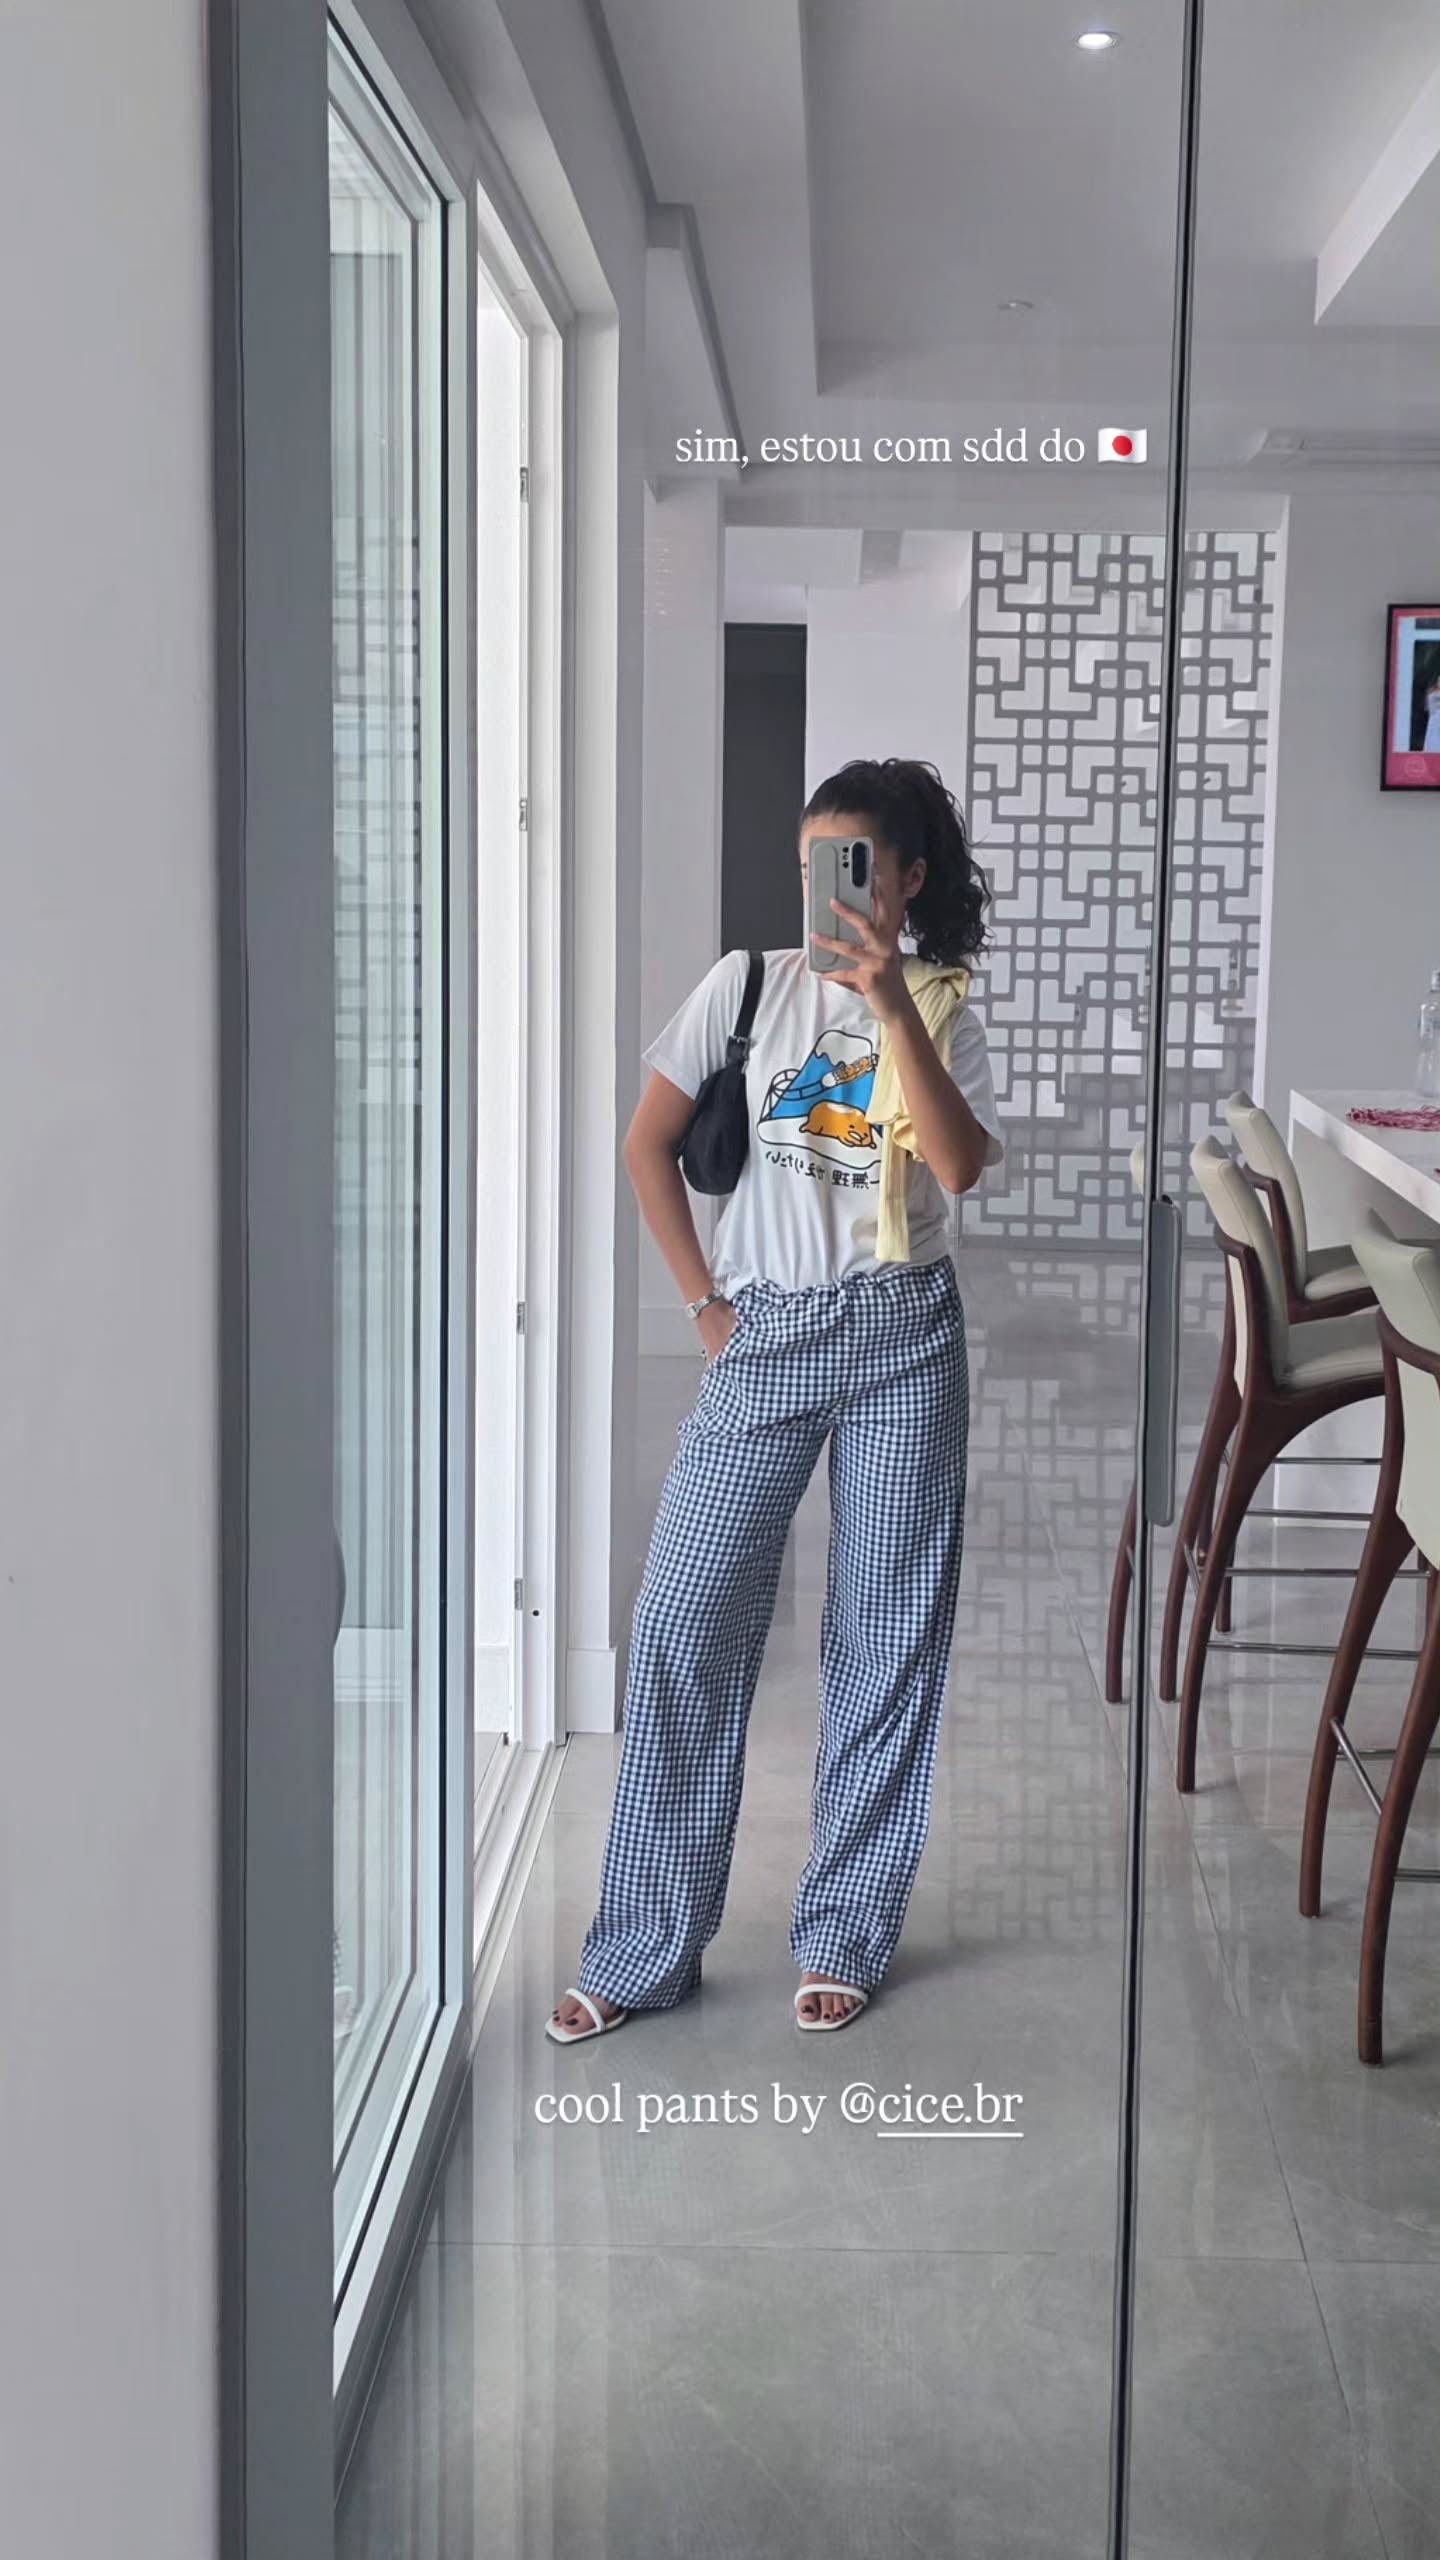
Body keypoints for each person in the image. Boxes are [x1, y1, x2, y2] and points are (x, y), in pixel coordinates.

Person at [547, 757, 1004, 2042]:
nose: (830, 892)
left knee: (884, 1636)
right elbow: (646, 1144)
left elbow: (960, 1167)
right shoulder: (744, 985)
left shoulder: (942, 1004)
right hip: (766, 1333)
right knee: (684, 1620)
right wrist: (704, 1304)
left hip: (905, 1334)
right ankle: (644, 1945)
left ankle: (845, 1929)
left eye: (854, 867)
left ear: (906, 878)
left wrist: (891, 1005)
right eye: (814, 866)